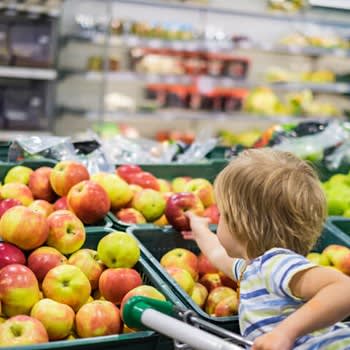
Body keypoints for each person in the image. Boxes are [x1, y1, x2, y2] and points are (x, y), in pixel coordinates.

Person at [183, 149, 350, 350]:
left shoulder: (275, 264)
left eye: (221, 215)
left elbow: (344, 289)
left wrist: (284, 333)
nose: (217, 221)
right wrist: (199, 228)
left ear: (241, 225)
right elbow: (217, 253)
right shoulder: (253, 269)